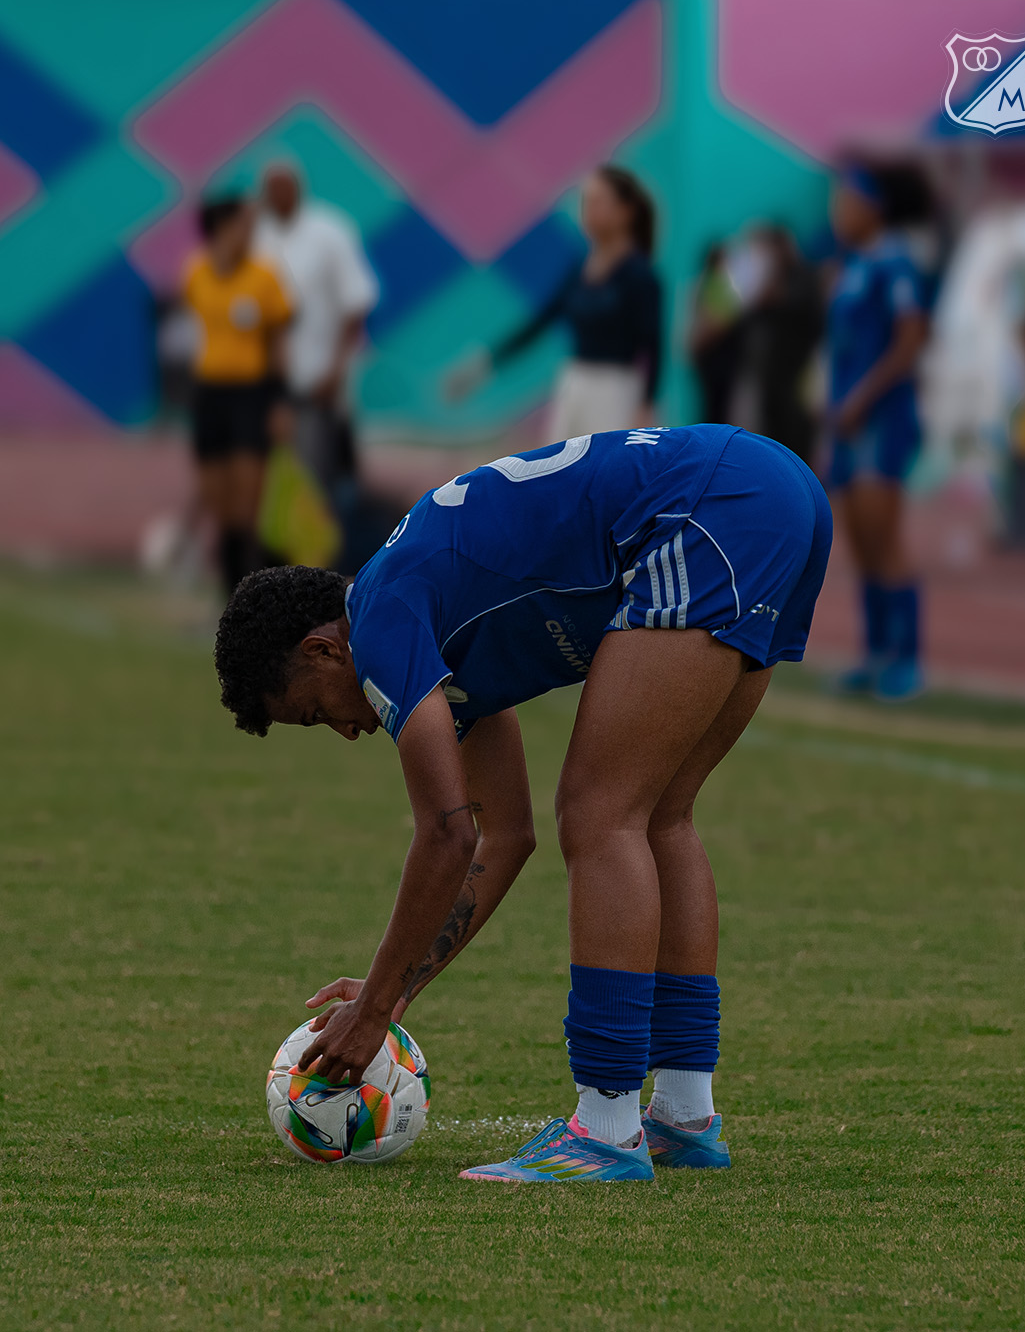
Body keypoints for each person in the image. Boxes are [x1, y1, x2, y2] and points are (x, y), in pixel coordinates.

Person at [213, 420, 832, 1182]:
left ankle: (605, 1128)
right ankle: (683, 1115)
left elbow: (445, 834)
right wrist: (396, 988)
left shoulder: (379, 620)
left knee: (600, 814)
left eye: (316, 712)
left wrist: (372, 1010)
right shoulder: (429, 616)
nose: (346, 731)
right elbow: (502, 835)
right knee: (660, 814)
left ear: (322, 649)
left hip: (710, 506)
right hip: (768, 489)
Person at [447, 165, 661, 437]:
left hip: (615, 390)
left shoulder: (640, 275)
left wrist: (647, 403)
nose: (588, 211)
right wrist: (486, 363)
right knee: (561, 459)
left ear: (625, 211)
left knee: (608, 461)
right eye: (585, 203)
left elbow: (654, 344)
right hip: (575, 382)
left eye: (598, 202)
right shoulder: (580, 269)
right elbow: (540, 321)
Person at [826, 168, 928, 701]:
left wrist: (862, 398)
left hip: (880, 421)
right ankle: (874, 653)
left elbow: (910, 341)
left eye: (846, 201)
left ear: (874, 208)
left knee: (883, 535)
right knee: (860, 540)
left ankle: (907, 659)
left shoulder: (895, 263)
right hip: (846, 421)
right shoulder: (852, 266)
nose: (837, 212)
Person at [255, 163, 381, 570]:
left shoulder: (329, 232)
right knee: (267, 490)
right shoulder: (257, 236)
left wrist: (337, 370)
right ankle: (271, 573)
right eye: (269, 188)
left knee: (313, 483)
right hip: (266, 387)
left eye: (283, 187)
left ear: (298, 188)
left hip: (317, 386)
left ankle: (317, 574)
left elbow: (355, 305)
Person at [181, 195, 293, 595]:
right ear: (221, 228)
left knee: (249, 505)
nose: (250, 233)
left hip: (251, 394)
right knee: (221, 505)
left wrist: (280, 401)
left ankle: (262, 593)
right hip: (210, 393)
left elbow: (278, 344)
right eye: (243, 225)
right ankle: (228, 599)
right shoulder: (196, 273)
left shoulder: (264, 276)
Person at [740, 226, 823, 465]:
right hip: (768, 378)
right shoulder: (763, 280)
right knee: (771, 443)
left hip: (799, 376)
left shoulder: (804, 277)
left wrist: (771, 293)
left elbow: (808, 315)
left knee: (798, 442)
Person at [688, 243, 744, 425]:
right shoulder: (718, 284)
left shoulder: (703, 283)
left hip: (711, 356)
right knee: (717, 408)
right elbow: (718, 320)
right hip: (716, 357)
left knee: (712, 406)